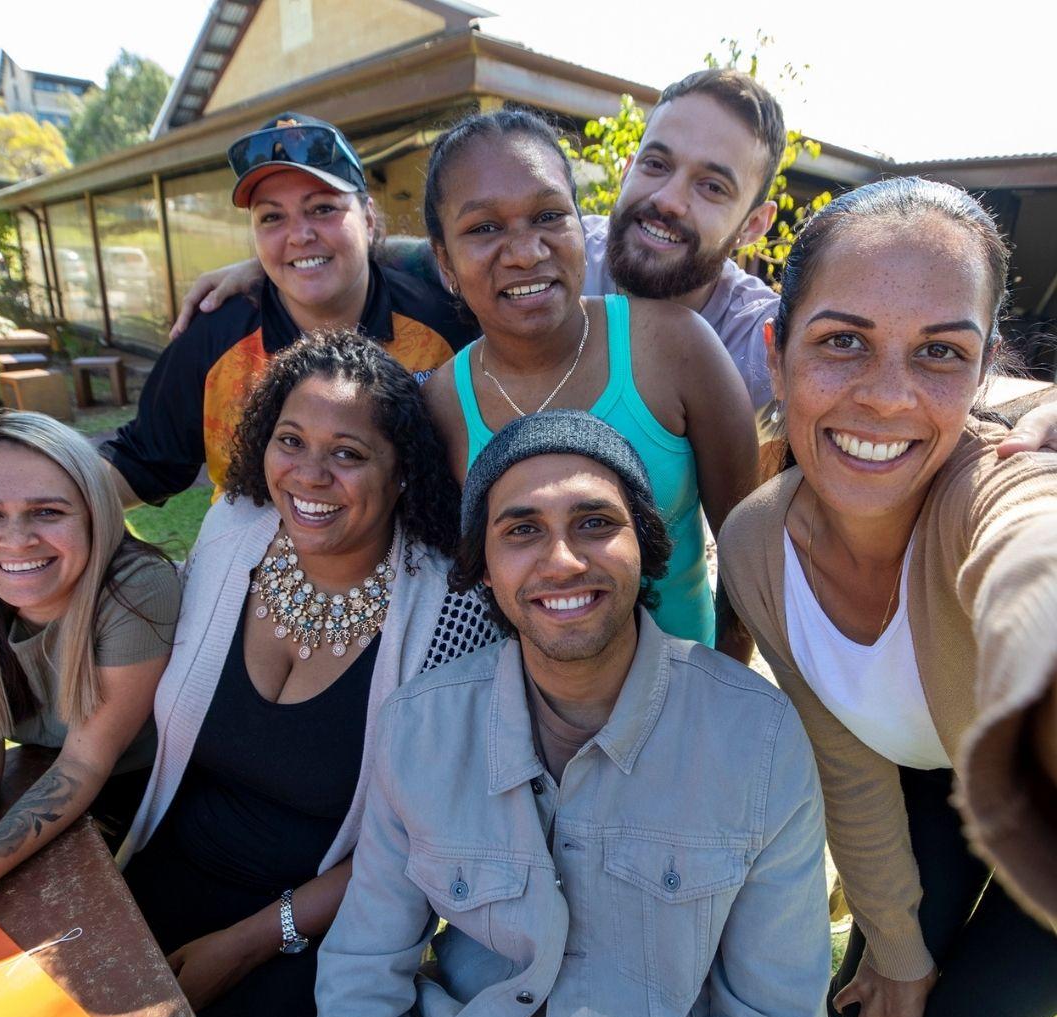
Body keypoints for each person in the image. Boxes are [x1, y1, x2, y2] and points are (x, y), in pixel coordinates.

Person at [314, 410, 829, 1017]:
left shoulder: (756, 740)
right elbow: (362, 977)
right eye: (522, 530)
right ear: (485, 568)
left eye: (595, 523)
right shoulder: (420, 729)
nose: (560, 560)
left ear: (645, 544)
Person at [170, 72, 1057, 457]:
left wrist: (1038, 409)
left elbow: (880, 357)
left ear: (753, 225)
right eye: (658, 163)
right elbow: (414, 248)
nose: (670, 199)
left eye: (713, 186)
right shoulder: (559, 245)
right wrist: (284, 262)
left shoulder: (746, 334)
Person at [717, 177, 1057, 1017]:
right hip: (941, 783)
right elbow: (847, 759)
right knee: (860, 1015)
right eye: (843, 342)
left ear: (986, 371)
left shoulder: (1002, 486)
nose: (888, 396)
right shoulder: (757, 544)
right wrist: (899, 953)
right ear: (776, 350)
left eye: (940, 352)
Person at [118, 329, 497, 1017]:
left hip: (320, 931)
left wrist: (252, 941)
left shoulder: (450, 613)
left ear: (402, 476)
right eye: (290, 440)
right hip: (160, 873)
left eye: (349, 454)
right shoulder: (233, 533)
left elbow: (418, 844)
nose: (310, 475)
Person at [420, 108, 758, 656]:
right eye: (484, 228)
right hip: (531, 716)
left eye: (550, 216)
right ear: (445, 262)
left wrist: (723, 688)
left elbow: (750, 560)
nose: (527, 252)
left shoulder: (674, 348)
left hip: (686, 703)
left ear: (584, 226)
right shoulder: (442, 405)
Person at [100, 113, 474, 508]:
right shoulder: (215, 339)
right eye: (272, 217)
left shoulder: (442, 325)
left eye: (323, 209)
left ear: (367, 218)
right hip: (255, 564)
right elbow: (141, 463)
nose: (299, 235)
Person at [0, 410, 179, 895]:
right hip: (40, 777)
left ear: (95, 513)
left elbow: (84, 765)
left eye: (48, 511)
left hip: (147, 801)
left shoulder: (137, 588)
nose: (18, 539)